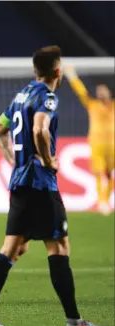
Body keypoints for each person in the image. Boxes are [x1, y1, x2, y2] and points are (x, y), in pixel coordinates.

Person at [0, 46, 111, 326]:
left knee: (12, 248)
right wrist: (49, 161)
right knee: (59, 246)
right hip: (40, 183)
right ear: (58, 71)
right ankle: (74, 321)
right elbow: (39, 129)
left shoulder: (22, 95)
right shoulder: (47, 97)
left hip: (19, 182)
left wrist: (13, 159)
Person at [64, 66, 114, 215]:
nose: (100, 92)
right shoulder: (92, 105)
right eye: (99, 90)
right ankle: (102, 202)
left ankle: (106, 199)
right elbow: (81, 92)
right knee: (98, 173)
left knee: (110, 174)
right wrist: (72, 76)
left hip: (113, 144)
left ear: (109, 92)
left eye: (103, 90)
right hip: (97, 143)